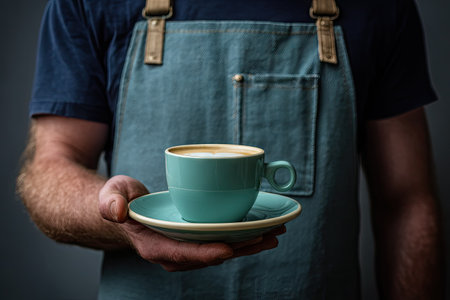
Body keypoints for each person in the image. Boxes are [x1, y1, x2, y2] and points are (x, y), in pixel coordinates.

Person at [17, 0, 444, 299]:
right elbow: (50, 166)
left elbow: (406, 201)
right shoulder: (87, 3)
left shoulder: (383, 7)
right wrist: (117, 216)